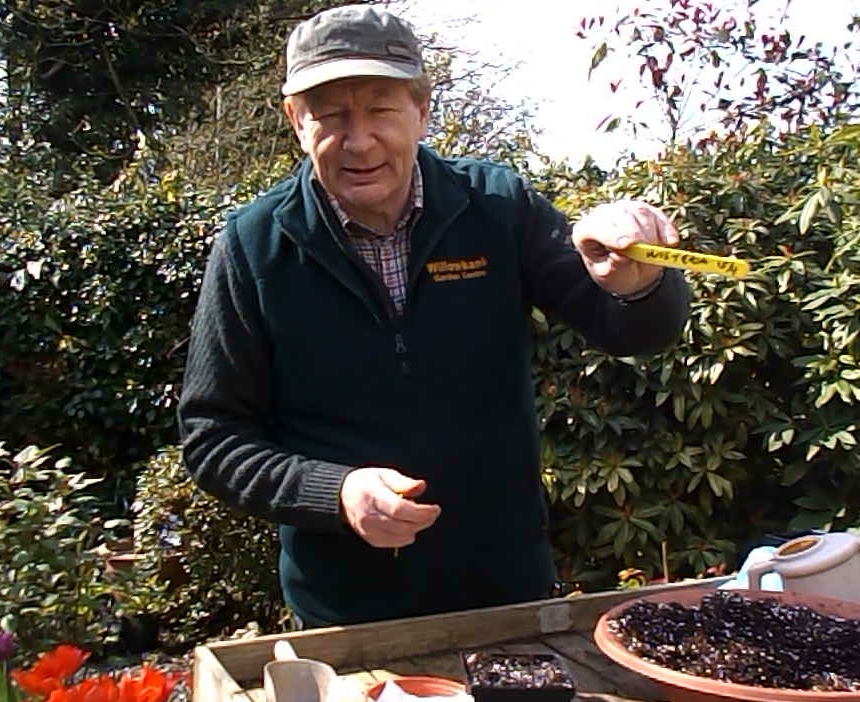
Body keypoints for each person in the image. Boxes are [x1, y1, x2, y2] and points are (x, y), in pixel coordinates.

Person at [178, 4, 691, 628]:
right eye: (332, 115)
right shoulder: (254, 244)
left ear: (422, 110)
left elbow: (630, 330)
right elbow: (213, 435)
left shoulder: (498, 207)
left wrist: (640, 285)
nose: (359, 140)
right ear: (296, 121)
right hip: (344, 611)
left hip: (506, 589)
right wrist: (336, 493)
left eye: (380, 109)